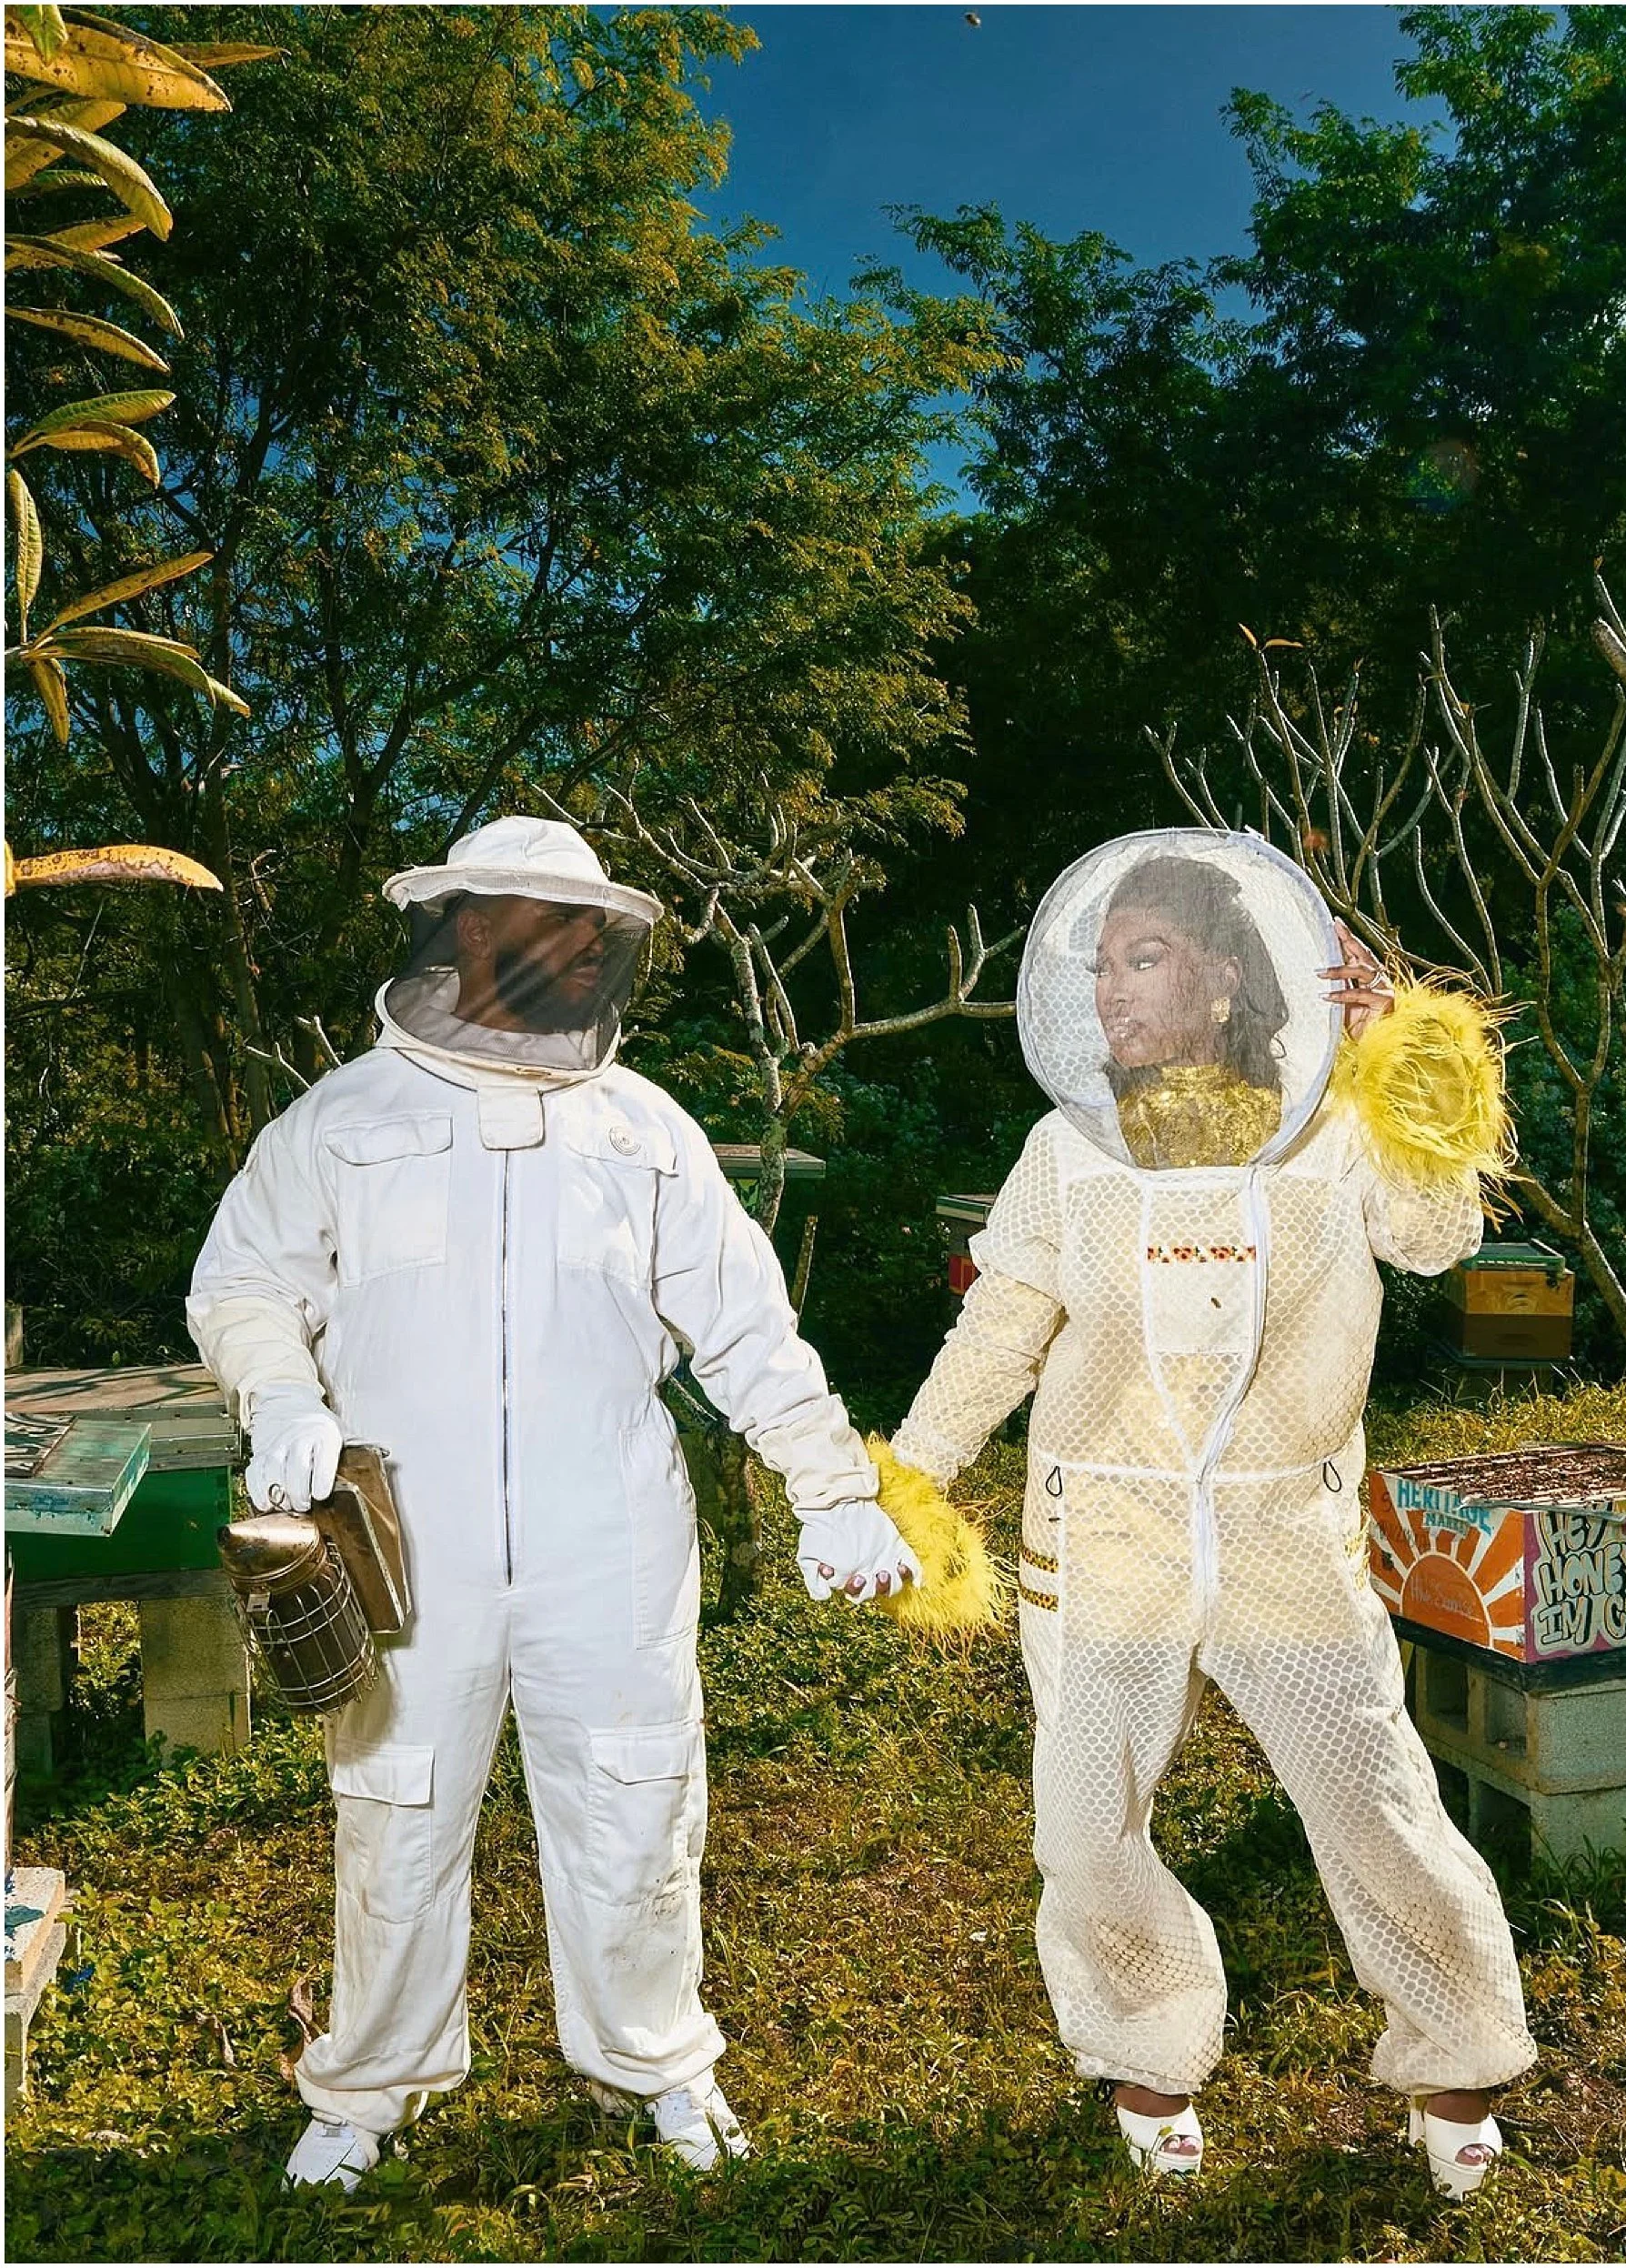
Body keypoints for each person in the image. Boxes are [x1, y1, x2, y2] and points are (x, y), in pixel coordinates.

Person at [187, 815, 921, 2190]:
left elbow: (745, 1325)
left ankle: (659, 2062)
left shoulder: (643, 1129)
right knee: (395, 1807)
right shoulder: (343, 1119)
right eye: (554, 921)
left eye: (596, 926)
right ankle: (369, 2084)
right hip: (401, 1536)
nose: (586, 945)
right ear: (469, 927)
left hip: (610, 1530)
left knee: (638, 1800)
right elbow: (240, 1286)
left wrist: (831, 1488)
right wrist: (281, 1397)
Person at [886, 828, 1536, 2197]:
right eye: (1100, 963)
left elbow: (1437, 1239)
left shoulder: (1332, 1128)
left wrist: (1400, 1062)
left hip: (1283, 1532)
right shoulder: (1067, 1149)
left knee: (1373, 1802)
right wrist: (915, 1474)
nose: (1109, 990)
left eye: (1145, 957)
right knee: (1085, 1822)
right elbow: (1003, 1322)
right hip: (1102, 1533)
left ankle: (1457, 2056)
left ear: (1227, 977)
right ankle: (1147, 2048)